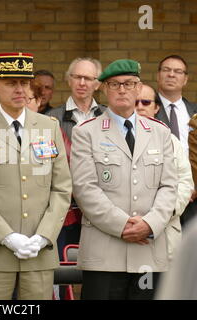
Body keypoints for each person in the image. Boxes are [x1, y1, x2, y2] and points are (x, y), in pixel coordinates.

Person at [0, 52, 72, 300]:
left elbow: (61, 188)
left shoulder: (48, 126)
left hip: (38, 252)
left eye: (24, 83)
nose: (19, 89)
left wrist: (44, 236)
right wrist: (6, 237)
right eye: (11, 83)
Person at [70, 59, 177, 300]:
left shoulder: (159, 132)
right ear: (104, 89)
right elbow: (85, 189)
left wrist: (149, 225)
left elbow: (170, 186)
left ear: (139, 89)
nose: (121, 90)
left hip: (149, 252)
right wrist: (123, 226)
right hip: (105, 254)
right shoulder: (86, 132)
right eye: (114, 84)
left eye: (129, 84)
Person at [47, 57, 106, 269]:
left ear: (98, 84)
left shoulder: (109, 116)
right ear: (69, 80)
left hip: (102, 208)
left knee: (100, 268)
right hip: (67, 211)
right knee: (64, 268)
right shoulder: (51, 118)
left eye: (88, 78)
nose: (82, 83)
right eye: (77, 77)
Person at [135, 84, 193, 261]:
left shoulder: (170, 139)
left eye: (146, 102)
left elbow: (184, 183)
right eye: (135, 101)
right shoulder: (112, 136)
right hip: (125, 234)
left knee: (159, 288)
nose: (140, 107)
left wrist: (153, 221)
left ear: (156, 107)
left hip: (163, 234)